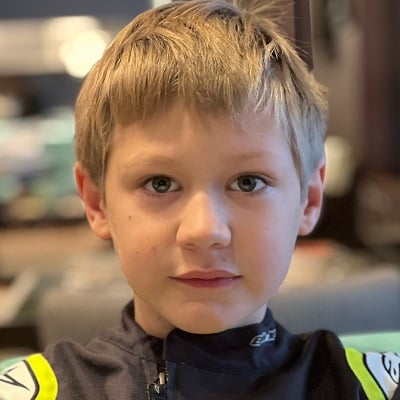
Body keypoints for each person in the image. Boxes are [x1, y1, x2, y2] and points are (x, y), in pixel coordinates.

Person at [1, 1, 399, 399]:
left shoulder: (372, 386)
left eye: (248, 182)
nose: (205, 230)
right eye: (160, 184)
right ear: (96, 202)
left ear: (309, 199)